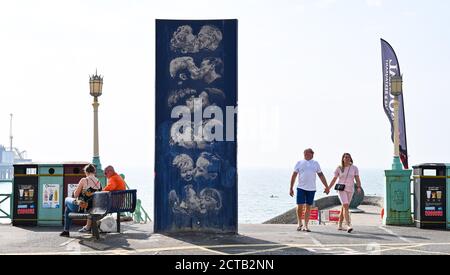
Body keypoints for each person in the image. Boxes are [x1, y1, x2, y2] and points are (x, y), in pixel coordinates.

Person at [290, 148, 329, 232]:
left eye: (307, 153)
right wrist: (291, 188)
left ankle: (306, 225)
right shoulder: (299, 163)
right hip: (301, 187)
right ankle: (299, 222)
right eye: (304, 153)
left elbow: (321, 175)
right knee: (299, 205)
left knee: (308, 206)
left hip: (311, 189)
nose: (305, 154)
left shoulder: (315, 163)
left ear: (312, 154)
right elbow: (294, 175)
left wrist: (326, 186)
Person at [60, 164, 101, 237]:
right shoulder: (99, 182)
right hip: (93, 208)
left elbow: (75, 194)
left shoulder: (84, 180)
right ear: (94, 172)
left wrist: (77, 191)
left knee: (67, 200)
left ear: (86, 172)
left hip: (82, 208)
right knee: (68, 209)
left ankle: (66, 230)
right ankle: (66, 230)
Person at [328, 153, 362, 233]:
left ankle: (339, 225)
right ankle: (348, 225)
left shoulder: (354, 168)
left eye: (348, 157)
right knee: (346, 206)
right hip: (341, 189)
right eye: (345, 157)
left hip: (350, 189)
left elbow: (357, 178)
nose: (347, 159)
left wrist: (359, 187)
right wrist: (328, 188)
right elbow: (334, 179)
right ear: (343, 159)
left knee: (344, 207)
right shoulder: (339, 168)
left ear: (351, 159)